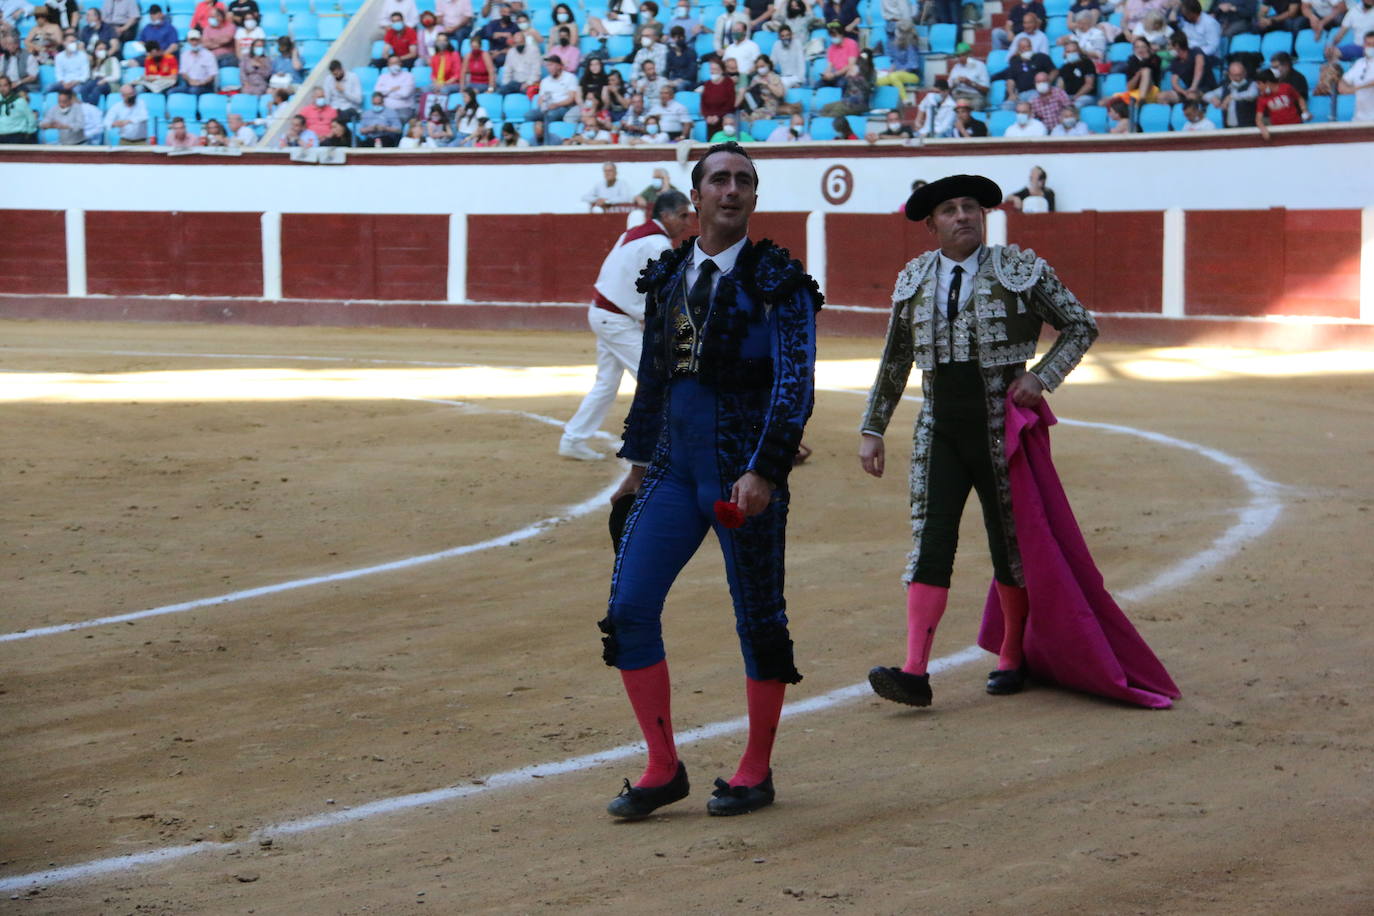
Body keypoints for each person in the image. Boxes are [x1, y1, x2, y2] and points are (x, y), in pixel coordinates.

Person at [600, 142, 821, 820]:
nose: (732, 190)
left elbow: (794, 383)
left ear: (754, 197)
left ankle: (755, 769)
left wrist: (766, 468)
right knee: (628, 611)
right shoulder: (667, 275)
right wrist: (636, 469)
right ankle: (663, 766)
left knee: (758, 618)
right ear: (694, 197)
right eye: (719, 180)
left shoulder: (780, 281)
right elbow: (653, 381)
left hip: (739, 474)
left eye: (744, 181)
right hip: (672, 468)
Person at [860, 175, 1091, 705]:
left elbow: (1079, 326)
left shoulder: (1019, 270)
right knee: (930, 541)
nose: (963, 215)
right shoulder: (914, 278)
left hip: (1000, 425)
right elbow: (895, 359)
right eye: (950, 209)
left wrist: (1042, 377)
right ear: (931, 224)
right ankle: (915, 671)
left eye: (970, 207)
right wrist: (873, 428)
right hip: (938, 424)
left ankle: (1012, 654)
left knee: (1009, 540)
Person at [560, 191, 692, 461]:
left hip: (606, 312)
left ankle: (573, 439)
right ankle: (672, 446)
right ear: (665, 215)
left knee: (607, 384)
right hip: (615, 319)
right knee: (658, 380)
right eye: (682, 215)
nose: (687, 222)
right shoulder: (658, 246)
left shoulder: (634, 233)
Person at [530, 53, 577, 144]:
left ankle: (547, 143)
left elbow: (571, 99)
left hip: (563, 107)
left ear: (559, 66)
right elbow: (540, 99)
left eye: (551, 65)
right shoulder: (545, 81)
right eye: (548, 65)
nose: (549, 68)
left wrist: (556, 105)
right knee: (529, 115)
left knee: (550, 115)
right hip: (547, 107)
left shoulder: (570, 78)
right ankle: (533, 142)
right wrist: (543, 106)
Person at [1204, 59, 1259, 127]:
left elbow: (1252, 94)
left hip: (1248, 126)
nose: (1238, 78)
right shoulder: (1225, 88)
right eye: (1235, 75)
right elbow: (1206, 95)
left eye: (1240, 75)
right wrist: (1213, 99)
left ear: (1245, 73)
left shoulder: (1252, 84)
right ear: (1229, 75)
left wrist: (1231, 97)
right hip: (1229, 127)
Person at [1255, 67, 1306, 138]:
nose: (1257, 86)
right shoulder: (1262, 98)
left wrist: (1304, 111)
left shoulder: (1286, 88)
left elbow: (1299, 98)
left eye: (1259, 83)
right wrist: (1262, 128)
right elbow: (1258, 118)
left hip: (1296, 126)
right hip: (1278, 130)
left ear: (1267, 83)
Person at [1340, 30, 1374, 121]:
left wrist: (1354, 89)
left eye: (1373, 45)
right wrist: (1343, 87)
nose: (1371, 47)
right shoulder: (1359, 63)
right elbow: (1344, 80)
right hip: (1359, 118)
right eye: (1368, 44)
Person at [945, 42, 988, 109]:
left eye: (962, 55)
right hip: (959, 94)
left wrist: (969, 82)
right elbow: (948, 87)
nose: (960, 58)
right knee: (948, 103)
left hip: (975, 96)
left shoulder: (980, 65)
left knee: (976, 104)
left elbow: (986, 89)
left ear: (969, 54)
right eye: (958, 56)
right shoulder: (956, 67)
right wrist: (955, 83)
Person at [376, 53, 418, 122]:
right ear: (388, 65)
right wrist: (392, 89)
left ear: (400, 64)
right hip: (386, 108)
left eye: (396, 63)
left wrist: (386, 93)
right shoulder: (382, 77)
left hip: (404, 108)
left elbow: (405, 94)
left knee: (399, 119)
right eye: (391, 63)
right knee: (376, 120)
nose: (393, 65)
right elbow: (378, 92)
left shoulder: (409, 76)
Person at [700, 59, 737, 135]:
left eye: (715, 69)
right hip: (710, 118)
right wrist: (707, 116)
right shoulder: (707, 84)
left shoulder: (728, 82)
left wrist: (718, 116)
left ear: (722, 70)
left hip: (724, 116)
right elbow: (703, 103)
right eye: (711, 69)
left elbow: (730, 103)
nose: (712, 71)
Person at [0, 75, 38, 143]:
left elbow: (31, 119)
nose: (2, 88)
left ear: (10, 86)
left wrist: (28, 135)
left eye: (5, 85)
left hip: (17, 136)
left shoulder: (20, 101)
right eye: (0, 86)